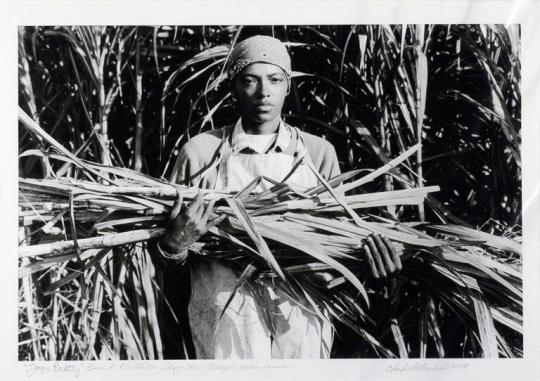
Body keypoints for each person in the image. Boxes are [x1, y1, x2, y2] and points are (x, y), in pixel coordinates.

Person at [156, 35, 401, 359]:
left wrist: (369, 261)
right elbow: (162, 259)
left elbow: (338, 251)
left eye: (274, 79)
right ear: (233, 87)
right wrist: (176, 244)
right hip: (225, 314)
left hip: (301, 312)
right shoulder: (201, 153)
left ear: (288, 85)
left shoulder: (317, 153)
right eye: (249, 81)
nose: (264, 92)